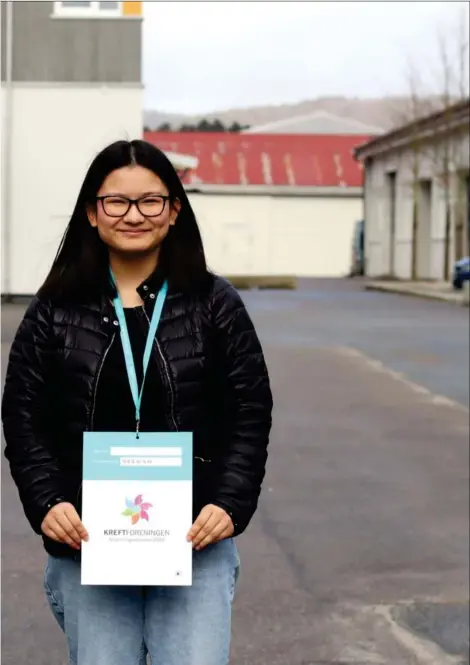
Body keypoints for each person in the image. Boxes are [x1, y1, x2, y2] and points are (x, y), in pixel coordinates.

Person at [1, 139, 273, 665]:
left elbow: (250, 412)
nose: (134, 215)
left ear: (174, 210)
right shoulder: (54, 309)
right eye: (116, 202)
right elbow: (23, 417)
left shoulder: (216, 304)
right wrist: (48, 502)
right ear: (91, 212)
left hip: (196, 538)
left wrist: (229, 503)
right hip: (88, 539)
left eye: (150, 201)